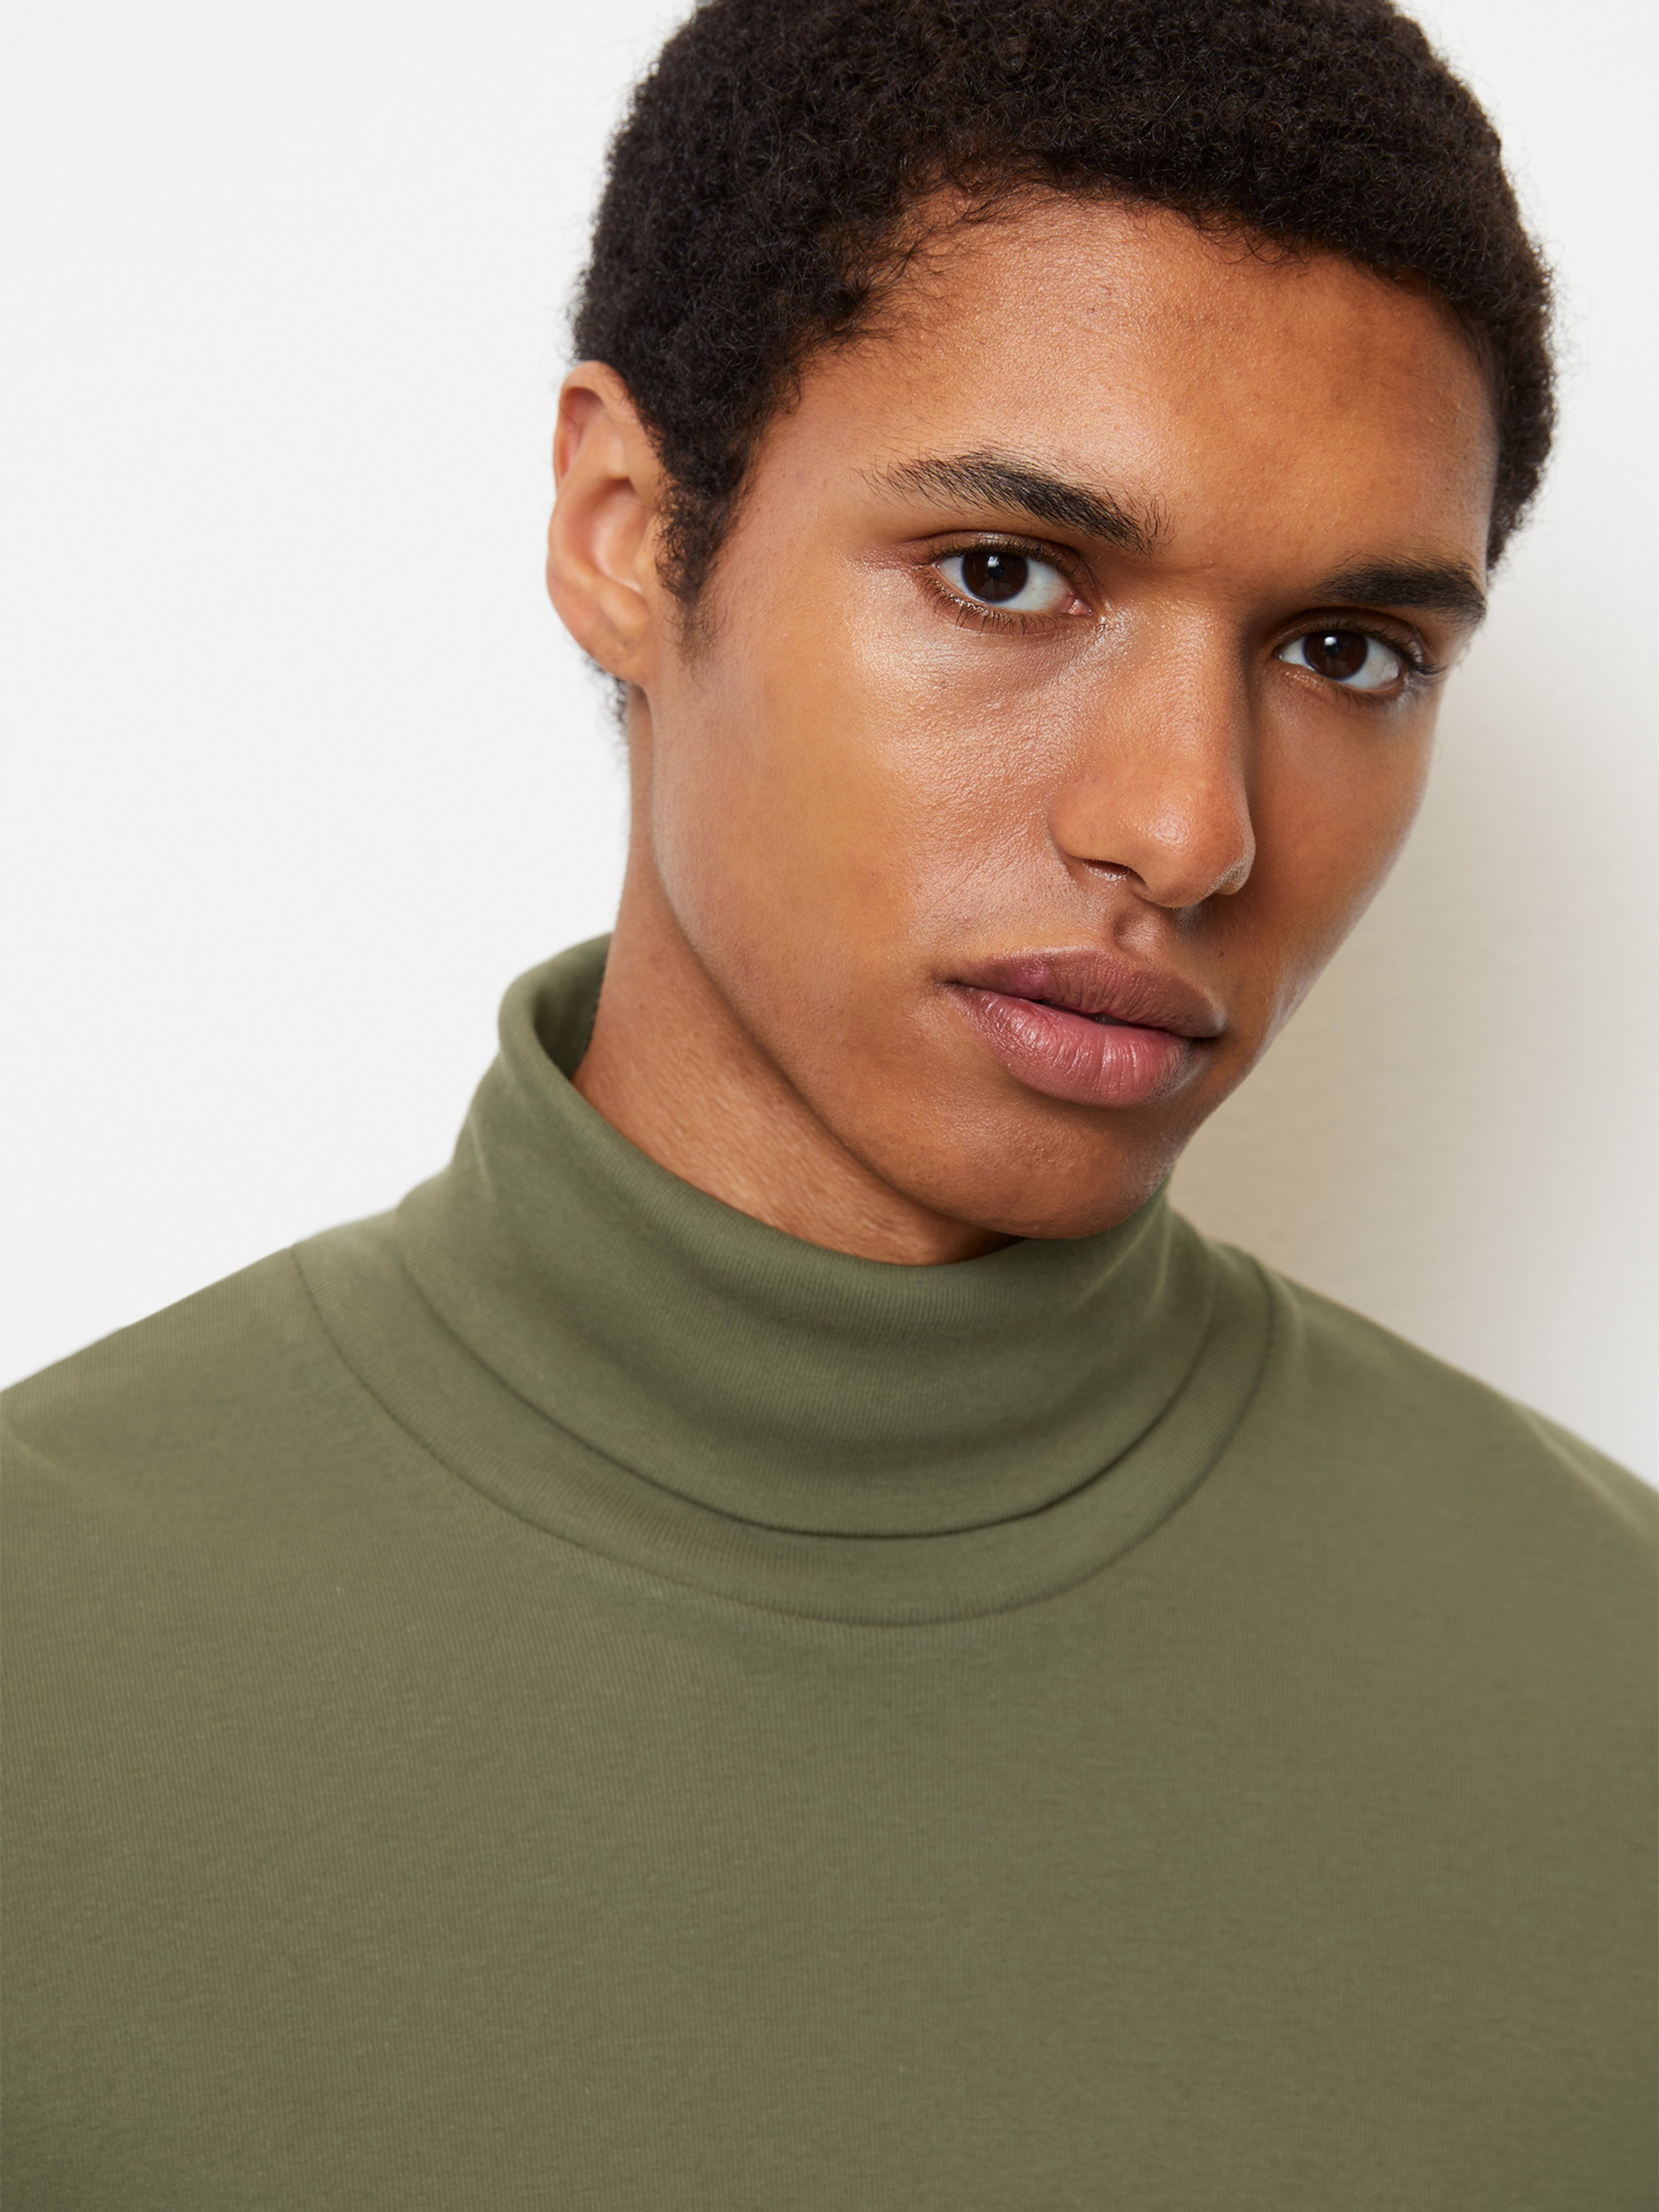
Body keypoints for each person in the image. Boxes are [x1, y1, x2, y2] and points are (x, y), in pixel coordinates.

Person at [4, 0, 1652, 2201]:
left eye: (1346, 649)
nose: (1186, 829)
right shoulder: (50, 1662)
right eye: (1005, 574)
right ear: (625, 529)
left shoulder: (1616, 1694)